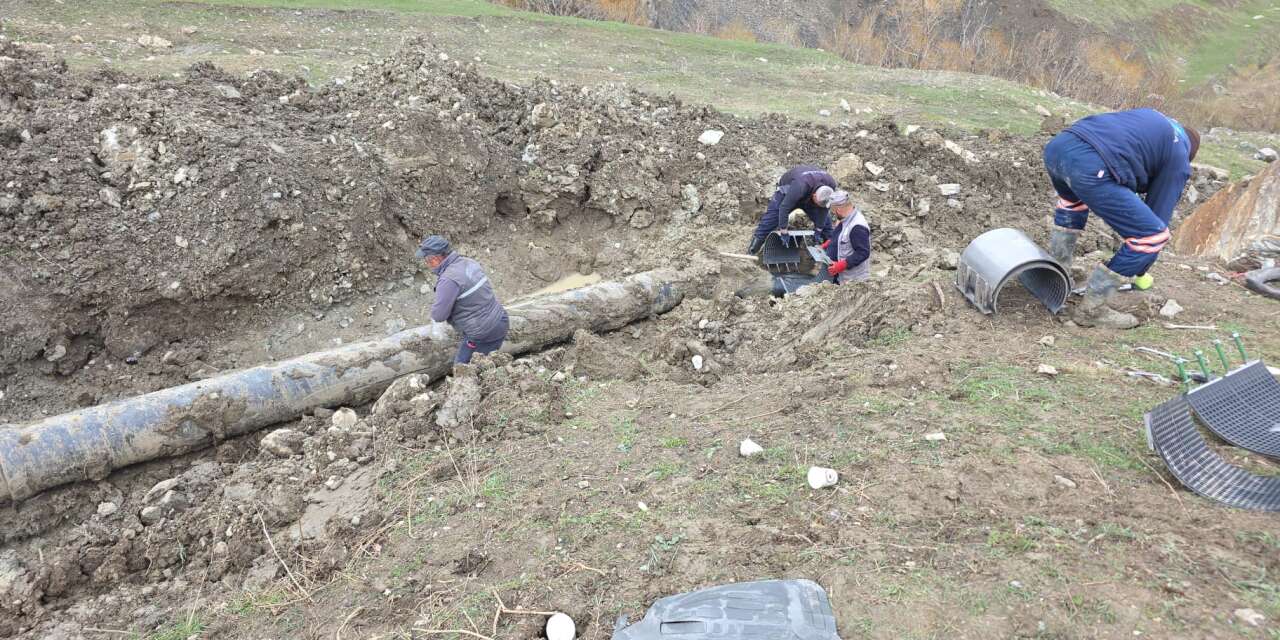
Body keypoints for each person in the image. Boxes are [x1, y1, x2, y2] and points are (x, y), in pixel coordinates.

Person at [1043, 108, 1199, 329]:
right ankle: (1092, 310)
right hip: (1091, 164)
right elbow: (1157, 221)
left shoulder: (1154, 120)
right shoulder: (1179, 156)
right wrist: (1140, 269)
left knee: (1072, 204)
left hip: (1059, 147)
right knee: (1152, 237)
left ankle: (1055, 275)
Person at [417, 235, 510, 364]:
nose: (427, 264)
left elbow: (439, 315)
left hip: (483, 333)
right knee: (485, 364)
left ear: (435, 259)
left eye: (427, 260)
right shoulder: (468, 262)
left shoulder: (448, 279)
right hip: (501, 319)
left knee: (463, 369)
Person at [747, 165, 840, 254]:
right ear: (814, 195)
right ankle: (752, 251)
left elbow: (824, 209)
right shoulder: (800, 186)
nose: (819, 206)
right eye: (818, 203)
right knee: (771, 220)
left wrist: (819, 229)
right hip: (788, 192)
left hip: (808, 196)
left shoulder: (830, 185)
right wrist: (784, 231)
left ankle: (831, 254)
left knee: (826, 224)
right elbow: (784, 207)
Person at [822, 191, 871, 283]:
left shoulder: (857, 226)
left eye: (833, 210)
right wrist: (828, 243)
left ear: (838, 210)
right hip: (840, 276)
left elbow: (863, 253)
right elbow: (840, 235)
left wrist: (843, 265)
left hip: (852, 280)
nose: (833, 213)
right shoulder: (846, 218)